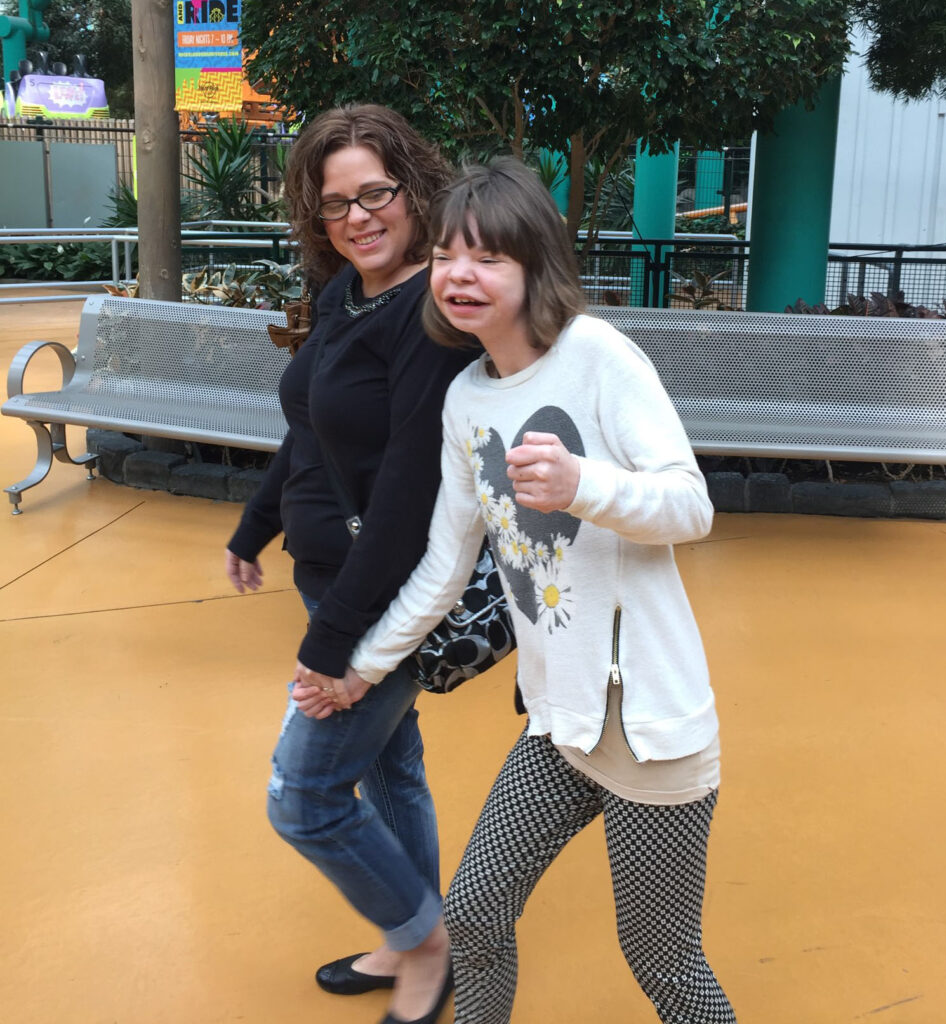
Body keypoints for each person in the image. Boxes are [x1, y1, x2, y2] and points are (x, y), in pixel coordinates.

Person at [297, 158, 737, 1023]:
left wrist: (583, 485)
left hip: (651, 736)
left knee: (662, 963)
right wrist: (359, 668)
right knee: (471, 919)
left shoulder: (598, 356)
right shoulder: (466, 399)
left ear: (535, 266)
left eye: (490, 257)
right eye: (451, 255)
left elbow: (691, 507)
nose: (463, 274)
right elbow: (441, 566)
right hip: (557, 725)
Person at [224, 105, 473, 1024]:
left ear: (414, 189)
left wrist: (332, 647)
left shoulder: (432, 316)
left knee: (307, 796)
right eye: (336, 204)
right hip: (333, 576)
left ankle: (423, 943)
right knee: (390, 770)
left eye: (376, 192)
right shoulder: (344, 294)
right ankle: (420, 926)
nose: (359, 216)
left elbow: (409, 500)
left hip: (386, 597)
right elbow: (311, 429)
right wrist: (255, 525)